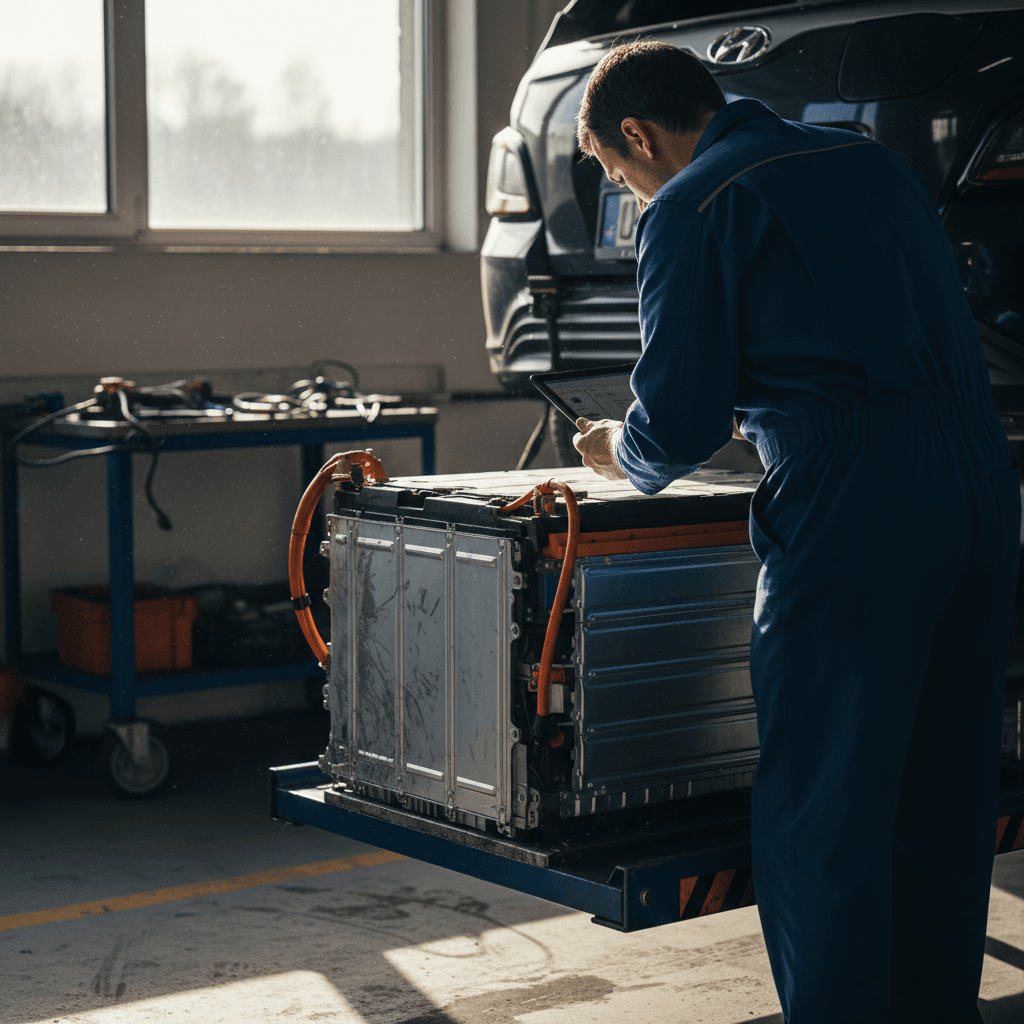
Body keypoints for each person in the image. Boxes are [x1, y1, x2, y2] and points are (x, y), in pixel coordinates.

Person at [572, 41, 1019, 1024]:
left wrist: (622, 449)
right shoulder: (872, 168)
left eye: (616, 171)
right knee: (939, 792)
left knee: (827, 802)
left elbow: (676, 422)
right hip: (981, 486)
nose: (628, 189)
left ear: (639, 135)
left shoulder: (693, 205)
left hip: (855, 504)